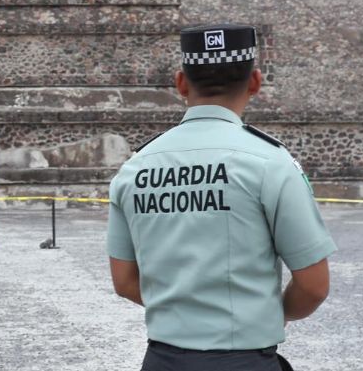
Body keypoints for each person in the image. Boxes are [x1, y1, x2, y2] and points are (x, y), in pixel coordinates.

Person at [106, 24, 336, 371]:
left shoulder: (135, 168)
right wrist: (266, 314)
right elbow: (314, 286)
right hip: (245, 360)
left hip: (162, 360)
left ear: (181, 83)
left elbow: (124, 282)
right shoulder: (270, 164)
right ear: (255, 82)